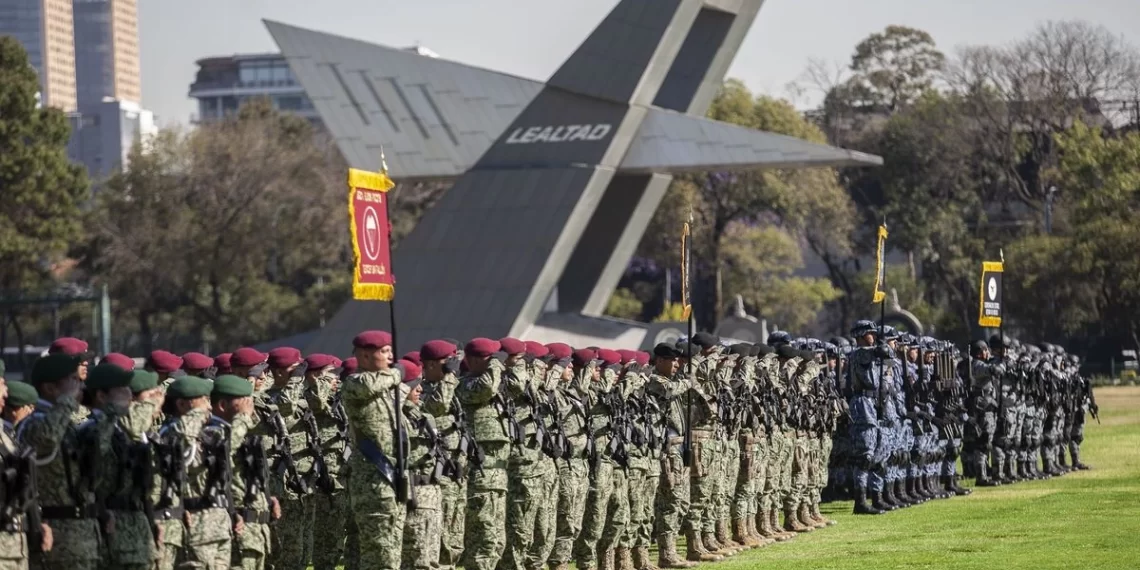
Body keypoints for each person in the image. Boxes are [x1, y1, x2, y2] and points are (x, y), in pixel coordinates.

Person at [19, 353, 100, 569]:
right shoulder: (33, 423)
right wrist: (66, 402)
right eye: (73, 380)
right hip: (56, 537)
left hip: (82, 536)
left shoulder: (67, 423)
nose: (80, 385)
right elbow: (46, 439)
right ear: (50, 388)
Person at [341, 331, 406, 570]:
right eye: (385, 352)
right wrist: (397, 373)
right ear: (365, 356)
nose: (391, 357)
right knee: (378, 552)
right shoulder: (356, 383)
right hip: (372, 479)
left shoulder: (386, 388)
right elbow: (372, 383)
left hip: (391, 479)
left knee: (391, 550)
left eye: (391, 351)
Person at [456, 338, 511, 570]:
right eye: (491, 360)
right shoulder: (465, 385)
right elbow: (485, 388)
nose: (496, 365)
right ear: (476, 360)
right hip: (479, 475)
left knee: (496, 541)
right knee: (483, 541)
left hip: (496, 475)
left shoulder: (496, 385)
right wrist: (496, 365)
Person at [170, 376, 233, 570]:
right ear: (182, 404)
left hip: (218, 523)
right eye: (203, 400)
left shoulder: (209, 433)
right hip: (195, 523)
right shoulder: (172, 434)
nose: (209, 406)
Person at [303, 353, 359, 570]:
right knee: (327, 543)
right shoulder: (310, 396)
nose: (337, 380)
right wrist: (322, 381)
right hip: (326, 479)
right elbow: (317, 401)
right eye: (331, 375)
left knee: (351, 536)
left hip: (348, 475)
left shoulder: (340, 397)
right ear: (316, 376)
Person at [418, 341, 465, 570]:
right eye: (447, 363)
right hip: (437, 476)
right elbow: (437, 406)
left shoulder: (453, 388)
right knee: (440, 536)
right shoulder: (421, 391)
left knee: (455, 533)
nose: (452, 368)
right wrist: (449, 376)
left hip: (457, 473)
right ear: (430, 365)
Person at [400, 361, 447, 570]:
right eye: (413, 384)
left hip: (432, 493)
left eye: (420, 383)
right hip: (414, 494)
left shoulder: (424, 416)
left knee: (431, 557)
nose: (419, 388)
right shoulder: (396, 418)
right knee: (415, 558)